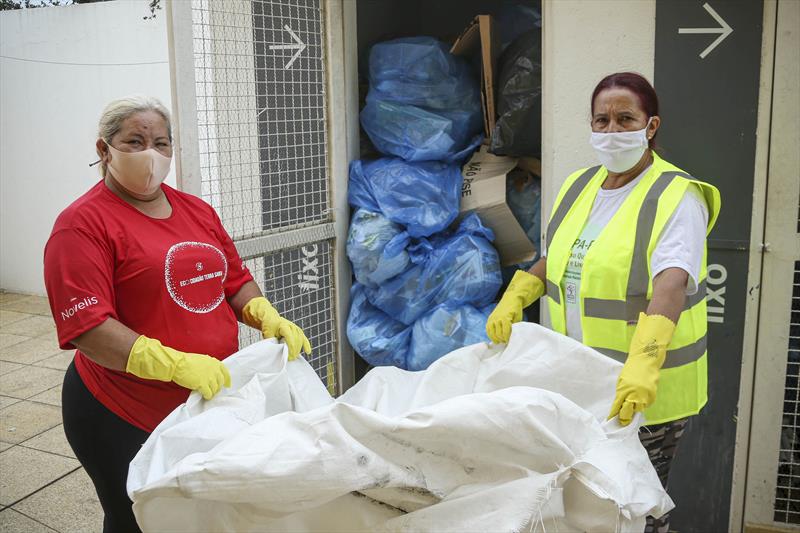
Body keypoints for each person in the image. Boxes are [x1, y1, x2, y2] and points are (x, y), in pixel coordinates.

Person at [43, 95, 311, 533]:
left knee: (198, 515)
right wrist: (174, 364)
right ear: (103, 150)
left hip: (202, 402)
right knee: (138, 518)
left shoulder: (197, 211)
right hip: (121, 409)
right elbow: (88, 327)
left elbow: (235, 278)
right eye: (135, 140)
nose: (151, 153)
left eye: (161, 143)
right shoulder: (82, 224)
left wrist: (265, 314)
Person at [486, 72, 720, 533]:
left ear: (650, 126)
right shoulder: (580, 186)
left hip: (646, 392)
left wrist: (644, 365)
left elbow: (671, 285)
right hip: (582, 383)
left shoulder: (676, 196)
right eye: (602, 119)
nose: (611, 131)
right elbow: (557, 260)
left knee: (635, 506)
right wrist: (517, 295)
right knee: (587, 504)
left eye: (624, 119)